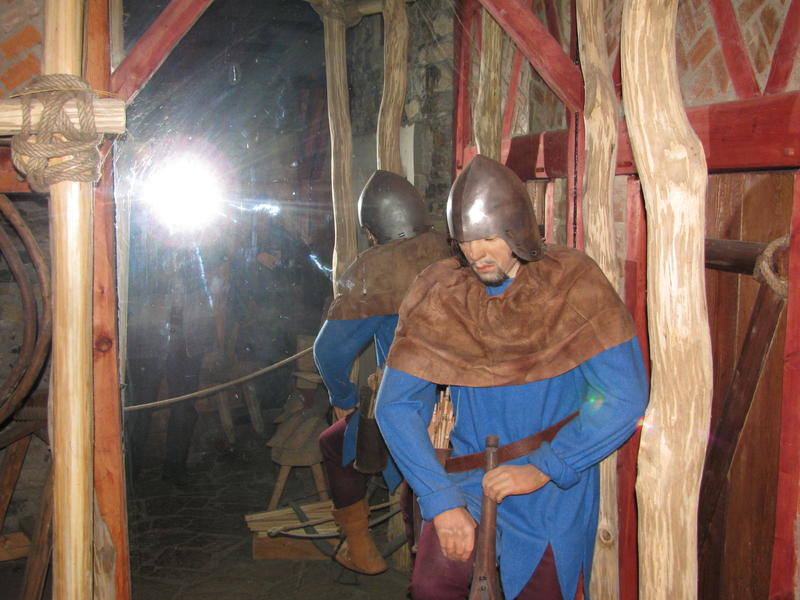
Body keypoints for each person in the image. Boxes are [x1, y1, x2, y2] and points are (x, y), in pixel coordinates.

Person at [375, 155, 649, 599]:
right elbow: (396, 405)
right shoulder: (441, 293)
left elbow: (624, 397)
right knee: (432, 587)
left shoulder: (573, 284)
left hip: (549, 493)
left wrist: (546, 467)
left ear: (518, 230)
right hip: (464, 483)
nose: (476, 254)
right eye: (466, 241)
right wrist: (439, 500)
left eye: (488, 238)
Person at [314, 170, 452, 575]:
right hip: (461, 399)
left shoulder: (376, 268)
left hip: (410, 403)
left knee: (332, 444)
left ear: (372, 231)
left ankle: (363, 552)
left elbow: (329, 351)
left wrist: (342, 399)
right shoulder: (447, 250)